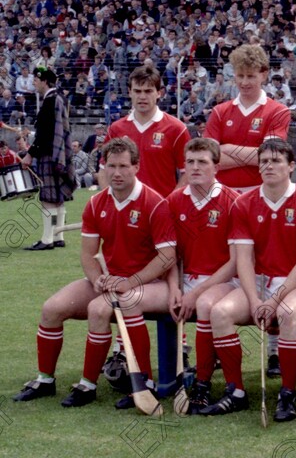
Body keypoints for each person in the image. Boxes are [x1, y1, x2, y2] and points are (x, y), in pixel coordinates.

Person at [12, 138, 176, 408]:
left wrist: (130, 281)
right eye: (111, 166)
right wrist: (97, 278)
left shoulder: (154, 203)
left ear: (136, 166)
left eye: (124, 166)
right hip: (111, 279)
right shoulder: (96, 203)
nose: (117, 173)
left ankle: (96, 385)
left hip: (151, 282)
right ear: (103, 167)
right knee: (52, 308)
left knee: (100, 310)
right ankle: (45, 380)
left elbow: (167, 257)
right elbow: (88, 254)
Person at [199, 139, 296, 416]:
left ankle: (287, 394)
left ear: (292, 166)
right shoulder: (244, 203)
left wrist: (275, 299)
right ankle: (236, 391)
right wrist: (255, 300)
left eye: (276, 161)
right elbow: (243, 258)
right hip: (259, 282)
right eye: (264, 161)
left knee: (288, 313)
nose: (269, 166)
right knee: (220, 313)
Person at [164, 138, 241, 414]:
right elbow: (169, 255)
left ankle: (203, 382)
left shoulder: (233, 201)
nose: (195, 168)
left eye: (202, 162)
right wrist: (175, 288)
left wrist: (194, 293)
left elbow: (234, 262)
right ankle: (153, 379)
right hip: (185, 278)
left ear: (216, 167)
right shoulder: (173, 201)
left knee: (206, 304)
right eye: (190, 162)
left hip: (224, 281)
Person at [204, 44, 291, 191]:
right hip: (221, 193)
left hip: (261, 192)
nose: (244, 82)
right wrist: (254, 155)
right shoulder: (220, 111)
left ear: (263, 75)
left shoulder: (278, 111)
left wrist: (228, 149)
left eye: (250, 76)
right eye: (240, 76)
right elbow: (207, 159)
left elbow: (270, 158)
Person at [101, 65, 190, 197]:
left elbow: (188, 172)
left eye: (148, 91)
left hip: (161, 209)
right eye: (137, 91)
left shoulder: (176, 129)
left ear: (159, 93)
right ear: (130, 92)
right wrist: (109, 201)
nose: (142, 96)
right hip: (125, 209)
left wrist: (170, 203)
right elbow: (103, 170)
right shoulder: (116, 129)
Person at [22, 68, 75, 251]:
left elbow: (45, 134)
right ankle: (58, 235)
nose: (34, 83)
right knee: (58, 198)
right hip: (59, 153)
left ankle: (47, 239)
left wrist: (29, 154)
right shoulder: (60, 98)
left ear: (44, 81)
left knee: (48, 198)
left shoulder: (50, 101)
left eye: (36, 80)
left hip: (49, 155)